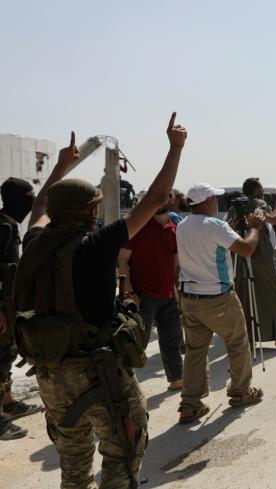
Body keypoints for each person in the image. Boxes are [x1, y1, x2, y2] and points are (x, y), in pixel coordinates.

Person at [14, 114, 186, 487]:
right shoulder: (96, 247)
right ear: (91, 212)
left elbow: (40, 208)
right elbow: (157, 198)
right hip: (96, 371)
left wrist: (60, 166)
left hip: (51, 373)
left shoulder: (35, 243)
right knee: (124, 452)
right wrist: (175, 149)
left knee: (73, 464)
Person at [176, 182, 266, 424]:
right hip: (217, 297)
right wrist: (255, 228)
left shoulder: (182, 226)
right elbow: (246, 249)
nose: (217, 203)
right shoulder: (216, 225)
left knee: (195, 351)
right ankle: (240, 391)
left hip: (189, 297)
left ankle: (190, 404)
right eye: (214, 199)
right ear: (206, 202)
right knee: (237, 342)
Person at [118, 194, 184, 391]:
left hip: (168, 295)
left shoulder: (173, 227)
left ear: (171, 199)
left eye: (164, 197)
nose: (160, 201)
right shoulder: (138, 227)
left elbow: (175, 265)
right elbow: (122, 261)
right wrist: (130, 292)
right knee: (137, 344)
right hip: (143, 296)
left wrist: (177, 291)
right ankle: (123, 386)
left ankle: (176, 379)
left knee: (171, 340)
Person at [228, 178, 276, 350]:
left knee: (244, 296)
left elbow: (228, 226)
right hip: (260, 252)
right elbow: (271, 219)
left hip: (240, 252)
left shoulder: (236, 206)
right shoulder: (260, 203)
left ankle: (248, 339)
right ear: (256, 189)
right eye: (261, 186)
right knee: (272, 293)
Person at [0, 178, 42, 440]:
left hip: (8, 305)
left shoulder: (8, 226)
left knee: (6, 355)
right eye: (29, 197)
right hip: (1, 308)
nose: (31, 203)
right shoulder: (2, 228)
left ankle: (7, 402)